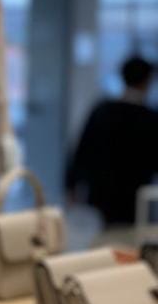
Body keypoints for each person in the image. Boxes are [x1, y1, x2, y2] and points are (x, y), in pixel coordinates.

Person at [66, 55, 158, 234]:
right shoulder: (150, 118)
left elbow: (82, 149)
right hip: (135, 197)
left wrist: (71, 185)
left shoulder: (103, 111)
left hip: (102, 194)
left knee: (104, 236)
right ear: (147, 82)